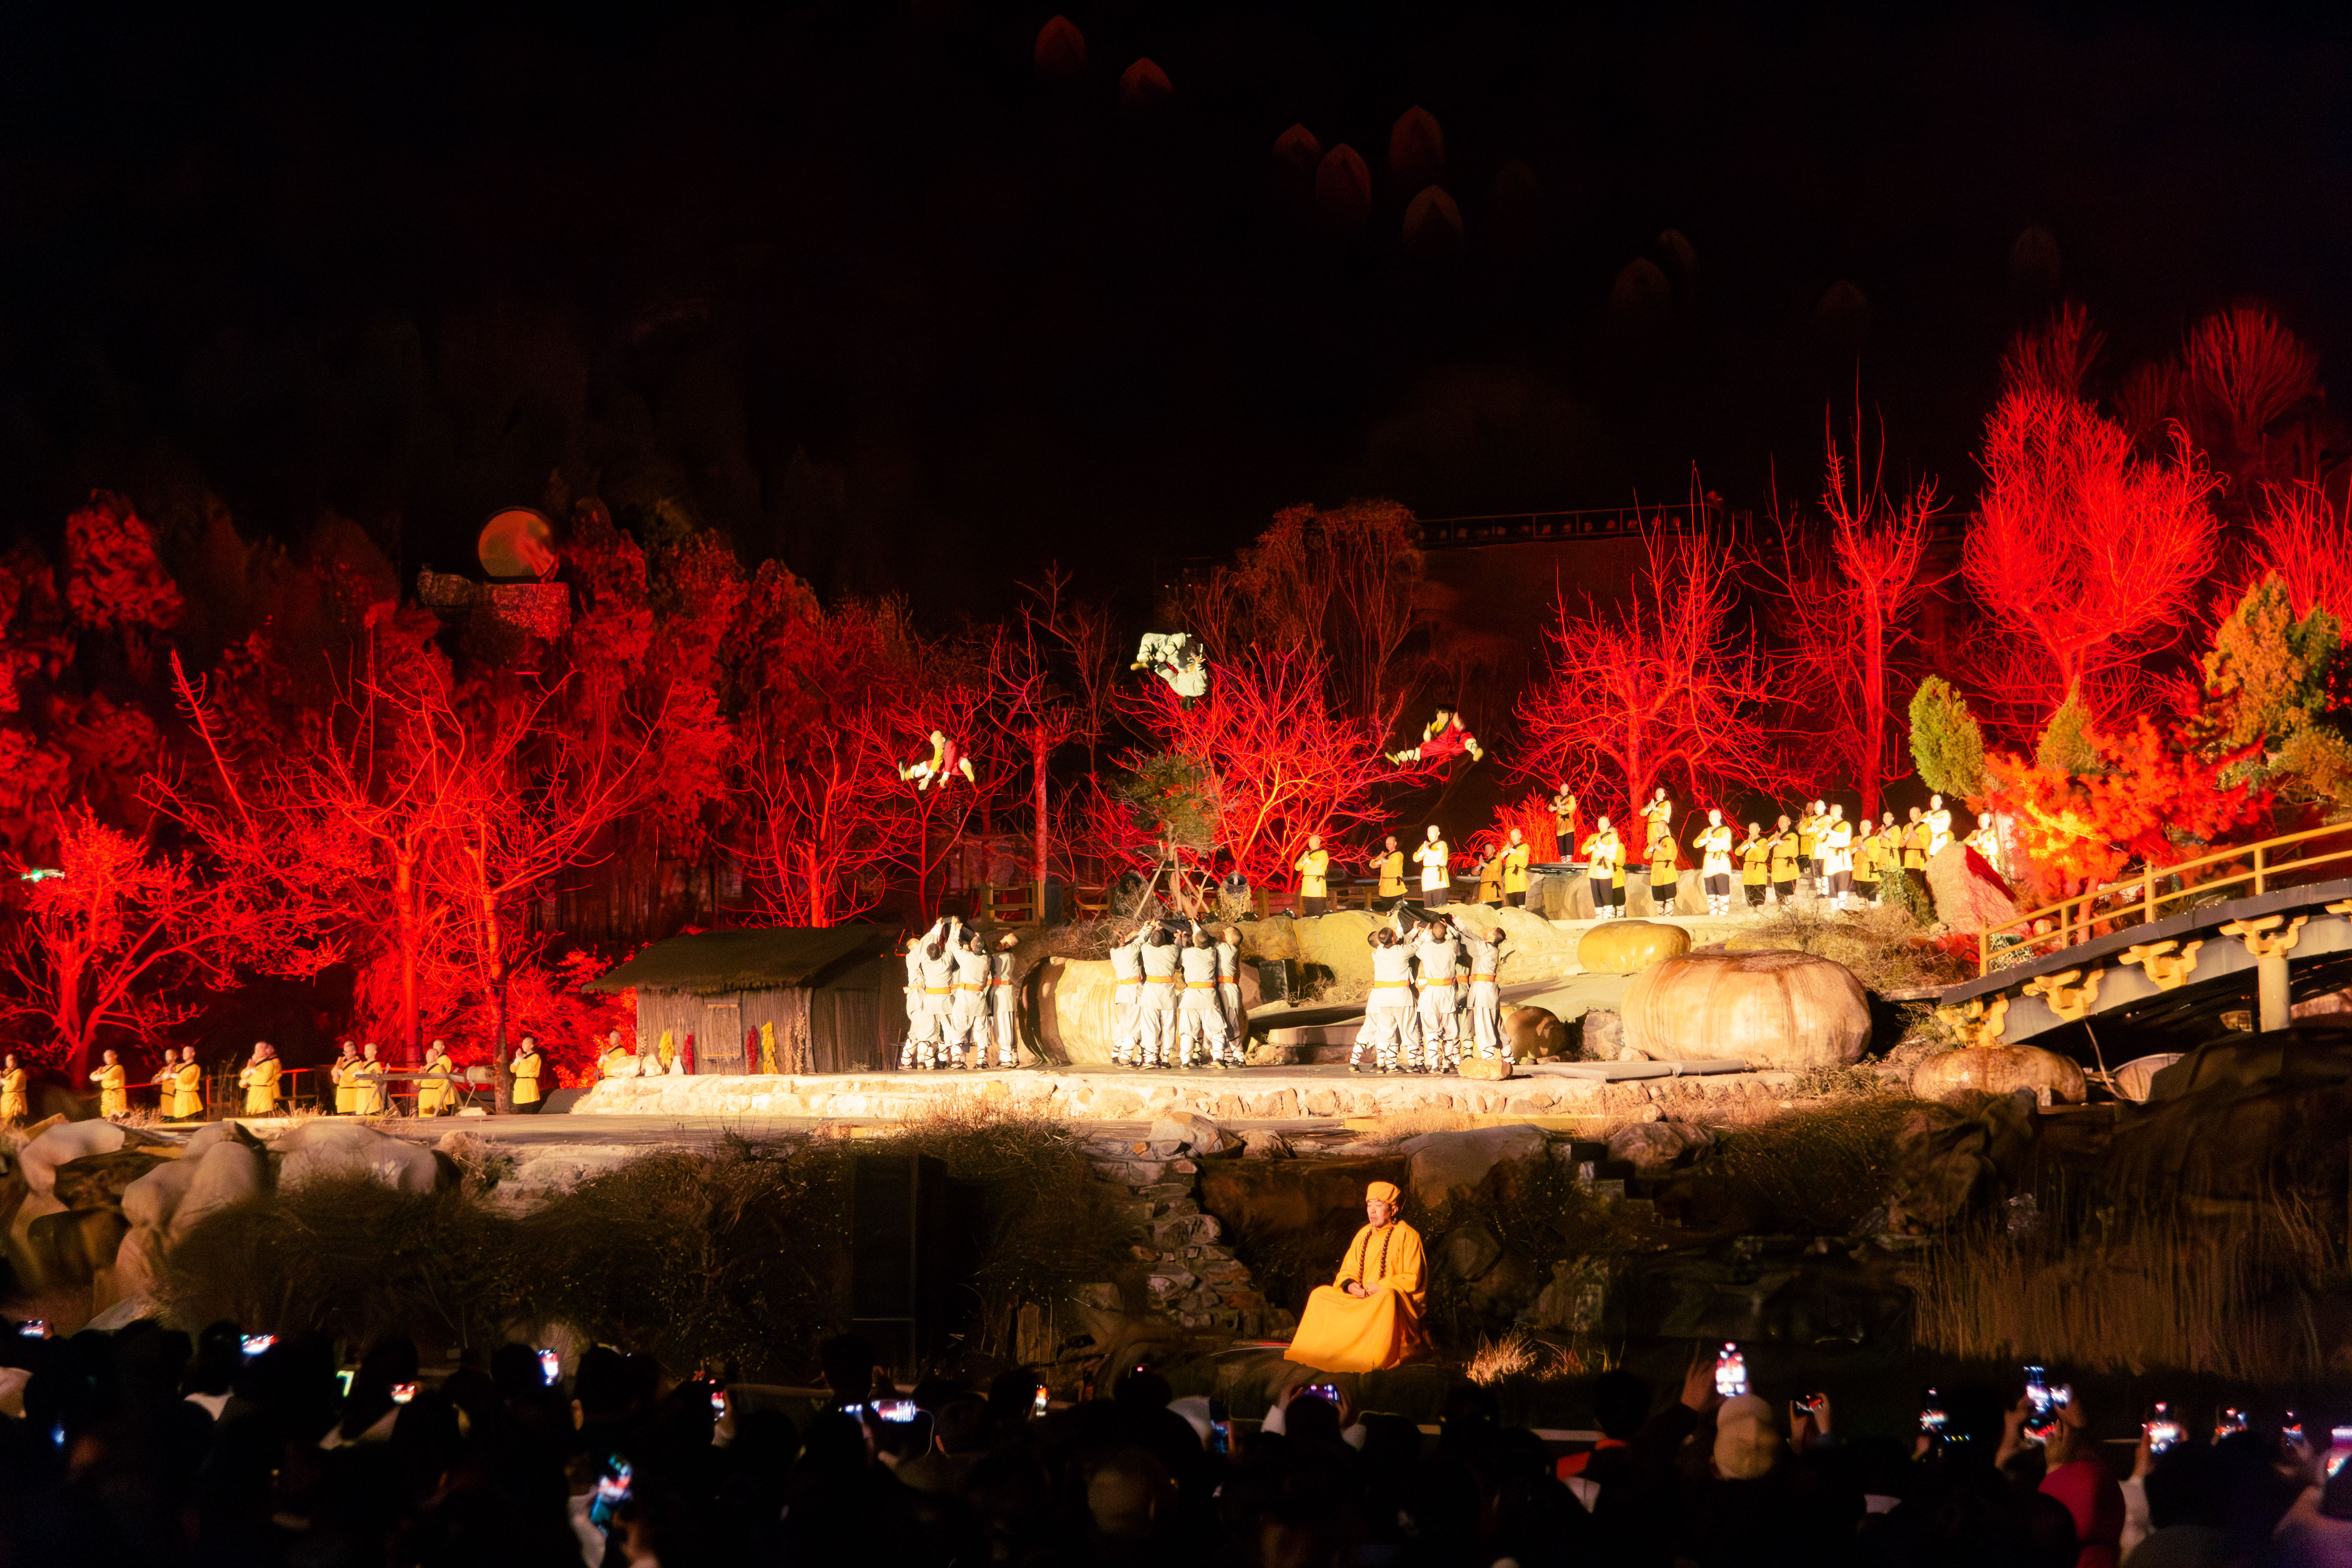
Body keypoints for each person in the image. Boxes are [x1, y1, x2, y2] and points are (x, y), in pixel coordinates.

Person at [1283, 1180, 1428, 1373]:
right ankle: (1313, 1353)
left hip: (1386, 1301)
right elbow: (1348, 1269)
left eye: (1378, 1205)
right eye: (1369, 1205)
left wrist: (1383, 1287)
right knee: (1321, 1294)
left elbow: (1413, 1277)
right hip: (1361, 1297)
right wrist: (1351, 1285)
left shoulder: (1409, 1236)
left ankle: (1373, 1359)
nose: (1372, 1211)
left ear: (1393, 1210)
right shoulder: (1363, 1234)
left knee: (1387, 1298)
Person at [1351, 921, 1417, 1074]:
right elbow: (1400, 943)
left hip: (1377, 998)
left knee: (1377, 1031)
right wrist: (1411, 931)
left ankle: (1360, 1062)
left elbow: (1395, 940)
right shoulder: (1385, 952)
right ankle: (1387, 1064)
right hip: (1384, 999)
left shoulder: (1377, 954)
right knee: (1387, 1032)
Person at [1405, 916, 1463, 1075]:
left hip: (1431, 994)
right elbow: (1458, 939)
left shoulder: (1426, 948)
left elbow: (1412, 946)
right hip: (1448, 994)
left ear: (1432, 932)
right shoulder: (1453, 946)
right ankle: (1446, 1063)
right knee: (1450, 1032)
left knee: (1431, 1031)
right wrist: (1449, 927)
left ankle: (1435, 1065)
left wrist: (1425, 934)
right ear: (1445, 932)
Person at [1177, 922, 1231, 1069]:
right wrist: (1198, 927)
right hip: (1208, 997)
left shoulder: (1187, 953)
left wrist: (1188, 933)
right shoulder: (1212, 953)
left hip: (1191, 998)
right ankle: (1219, 1057)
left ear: (1195, 941)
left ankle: (1185, 1061)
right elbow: (1206, 939)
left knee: (1188, 1031)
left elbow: (1179, 962)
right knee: (1216, 1029)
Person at [1460, 924, 1510, 1062]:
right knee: (1495, 1023)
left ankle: (1488, 1056)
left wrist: (1457, 928)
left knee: (1484, 1022)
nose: (1486, 931)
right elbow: (1474, 940)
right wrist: (1459, 927)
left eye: (1490, 931)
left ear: (1493, 937)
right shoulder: (1490, 949)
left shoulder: (1486, 949)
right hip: (1487, 990)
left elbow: (1471, 942)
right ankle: (1508, 1054)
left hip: (1483, 991)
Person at [947, 926, 992, 1071]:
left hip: (965, 999)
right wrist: (980, 940)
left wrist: (956, 930)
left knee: (958, 1028)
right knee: (982, 1030)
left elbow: (953, 945)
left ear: (972, 947)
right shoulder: (986, 960)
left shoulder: (966, 958)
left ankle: (957, 1060)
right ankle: (981, 1062)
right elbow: (986, 951)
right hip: (979, 1000)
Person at [1138, 922, 1181, 1070]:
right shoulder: (1172, 950)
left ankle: (1151, 1058)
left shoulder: (1146, 949)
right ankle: (1166, 1058)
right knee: (1169, 1026)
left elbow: (1144, 940)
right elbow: (1177, 946)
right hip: (1168, 994)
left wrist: (1154, 928)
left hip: (1151, 993)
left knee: (1151, 1025)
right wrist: (1177, 937)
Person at [1107, 920, 1147, 1068]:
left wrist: (1140, 931)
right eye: (1121, 935)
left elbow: (1132, 941)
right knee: (1135, 1026)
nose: (1124, 936)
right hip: (1133, 993)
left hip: (1121, 994)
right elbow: (1141, 940)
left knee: (1124, 1024)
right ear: (1120, 941)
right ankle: (1126, 1056)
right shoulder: (1130, 950)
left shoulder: (1113, 952)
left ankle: (1115, 1052)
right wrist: (1148, 927)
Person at [1388, 704, 1484, 765]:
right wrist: (1428, 732)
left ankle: (1476, 752)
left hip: (1455, 742)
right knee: (1423, 749)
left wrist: (1458, 722)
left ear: (1450, 715)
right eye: (1439, 715)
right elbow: (1428, 739)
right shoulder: (1435, 725)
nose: (1440, 718)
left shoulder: (1453, 722)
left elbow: (1460, 727)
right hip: (1441, 744)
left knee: (1466, 738)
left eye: (1443, 715)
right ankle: (1399, 757)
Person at [896, 729, 975, 790]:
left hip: (957, 764)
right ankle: (907, 775)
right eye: (934, 744)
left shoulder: (951, 745)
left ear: (943, 740)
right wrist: (927, 778)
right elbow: (936, 762)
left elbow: (950, 760)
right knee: (929, 764)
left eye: (936, 744)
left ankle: (969, 771)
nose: (936, 746)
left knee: (963, 762)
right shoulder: (939, 748)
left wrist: (944, 778)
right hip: (950, 768)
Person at [1692, 808, 1735, 918]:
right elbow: (1696, 844)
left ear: (1720, 817)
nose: (1711, 819)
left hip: (1720, 859)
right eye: (1710, 817)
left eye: (1714, 816)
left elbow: (1725, 841)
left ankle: (1724, 911)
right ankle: (1713, 911)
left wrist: (1712, 839)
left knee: (1722, 885)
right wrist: (1706, 840)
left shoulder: (1725, 830)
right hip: (1709, 860)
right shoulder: (1706, 831)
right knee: (1710, 886)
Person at [988, 932, 1021, 1069]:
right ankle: (1013, 1055)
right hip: (1007, 993)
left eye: (1005, 939)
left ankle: (1006, 1058)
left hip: (1000, 994)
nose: (1002, 939)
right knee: (1010, 1024)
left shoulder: (998, 957)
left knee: (1002, 1025)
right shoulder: (1010, 957)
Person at [1581, 816, 1625, 919]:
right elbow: (1584, 850)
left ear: (1609, 824)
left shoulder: (1612, 837)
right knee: (1596, 893)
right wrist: (1594, 847)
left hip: (1605, 867)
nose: (1601, 825)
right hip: (1594, 867)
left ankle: (1607, 915)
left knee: (1606, 893)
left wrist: (1601, 846)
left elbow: (1613, 850)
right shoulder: (1594, 837)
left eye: (1604, 823)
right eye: (1600, 823)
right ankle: (1599, 915)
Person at [1214, 924, 1247, 1058]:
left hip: (1228, 989)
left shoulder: (1228, 949)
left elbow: (1205, 940)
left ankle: (1239, 1056)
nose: (1224, 931)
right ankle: (1228, 1055)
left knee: (1232, 1022)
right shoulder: (1227, 949)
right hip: (1224, 988)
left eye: (1228, 932)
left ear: (1232, 940)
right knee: (1225, 1022)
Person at [1820, 804, 1855, 911]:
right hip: (1830, 855)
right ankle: (1834, 907)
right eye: (1831, 811)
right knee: (1831, 882)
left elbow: (1845, 838)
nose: (1832, 813)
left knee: (1842, 881)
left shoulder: (1846, 825)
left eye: (1835, 811)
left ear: (1841, 812)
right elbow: (1821, 839)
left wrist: (1830, 832)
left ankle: (1842, 906)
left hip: (1841, 855)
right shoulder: (1828, 825)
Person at [415, 1039, 458, 1116]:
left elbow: (438, 1077)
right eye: (434, 1046)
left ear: (443, 1047)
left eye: (437, 1046)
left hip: (441, 1090)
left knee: (440, 1115)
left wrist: (422, 1079)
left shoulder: (445, 1060)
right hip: (429, 1093)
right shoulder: (433, 1062)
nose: (435, 1048)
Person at [238, 1041, 281, 1115]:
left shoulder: (269, 1064)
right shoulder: (255, 1063)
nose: (257, 1051)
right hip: (253, 1097)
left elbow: (264, 1078)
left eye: (260, 1048)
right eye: (256, 1049)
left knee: (263, 1115)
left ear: (266, 1050)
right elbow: (243, 1075)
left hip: (263, 1098)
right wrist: (249, 1072)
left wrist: (251, 1075)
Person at [1647, 823, 1680, 917]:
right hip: (1656, 872)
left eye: (1660, 826)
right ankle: (1661, 917)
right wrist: (1652, 847)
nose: (1658, 828)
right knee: (1658, 897)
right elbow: (1646, 855)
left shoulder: (1670, 840)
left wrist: (1658, 848)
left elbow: (1669, 853)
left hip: (1667, 870)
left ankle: (1668, 917)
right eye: (1657, 827)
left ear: (1666, 827)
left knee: (1669, 896)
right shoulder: (1655, 841)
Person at [1766, 814, 1800, 906]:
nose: (1781, 822)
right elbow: (1765, 848)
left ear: (1789, 823)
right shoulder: (1774, 836)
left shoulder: (1793, 836)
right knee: (1779, 892)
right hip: (1777, 868)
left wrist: (1779, 842)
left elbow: (1792, 846)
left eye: (1783, 820)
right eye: (1780, 821)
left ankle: (1789, 910)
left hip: (1788, 867)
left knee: (1789, 892)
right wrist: (1774, 842)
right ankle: (1782, 909)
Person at [1294, 834, 1331, 916]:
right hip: (1307, 885)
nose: (1310, 844)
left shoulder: (1323, 853)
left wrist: (1309, 861)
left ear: (1318, 842)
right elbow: (1297, 867)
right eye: (1309, 842)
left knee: (1318, 909)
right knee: (1308, 908)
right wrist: (1304, 862)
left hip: (1317, 885)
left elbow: (1319, 864)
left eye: (1313, 842)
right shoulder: (1307, 853)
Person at [1738, 822, 1771, 911]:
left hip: (1759, 866)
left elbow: (1763, 853)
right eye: (1750, 829)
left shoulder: (1764, 841)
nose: (1752, 831)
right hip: (1748, 867)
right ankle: (1751, 909)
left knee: (1760, 888)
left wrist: (1753, 846)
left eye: (1754, 828)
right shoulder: (1747, 842)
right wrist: (1747, 845)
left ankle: (1760, 909)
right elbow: (1738, 852)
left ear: (1759, 830)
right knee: (1749, 888)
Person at [1413, 825, 1450, 901]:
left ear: (1438, 833)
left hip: (1438, 878)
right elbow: (1416, 858)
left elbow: (1439, 855)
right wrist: (1423, 852)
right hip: (1427, 877)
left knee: (1439, 903)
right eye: (1428, 833)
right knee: (1428, 903)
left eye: (1432, 833)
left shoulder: (1442, 844)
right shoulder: (1425, 845)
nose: (1430, 835)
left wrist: (1427, 851)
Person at [88, 1048, 127, 1119]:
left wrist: (99, 1075)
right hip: (107, 1095)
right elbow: (92, 1077)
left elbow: (108, 1076)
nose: (107, 1059)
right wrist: (98, 1072)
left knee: (119, 1112)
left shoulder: (118, 1068)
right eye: (105, 1057)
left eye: (109, 1057)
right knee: (106, 1112)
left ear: (115, 1057)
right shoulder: (105, 1068)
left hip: (117, 1095)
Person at [1852, 819, 1883, 907]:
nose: (1863, 828)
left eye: (1865, 826)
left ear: (1870, 828)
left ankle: (1871, 912)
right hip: (1858, 871)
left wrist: (1863, 847)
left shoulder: (1874, 840)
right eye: (1861, 826)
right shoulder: (1856, 839)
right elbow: (1849, 850)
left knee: (1871, 894)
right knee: (1860, 894)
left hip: (1869, 871)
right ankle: (1862, 910)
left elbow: (1874, 854)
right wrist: (1856, 848)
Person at [1371, 835, 1406, 911]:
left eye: (1390, 843)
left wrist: (1384, 861)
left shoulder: (1399, 854)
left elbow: (1394, 862)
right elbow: (1372, 864)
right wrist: (1379, 862)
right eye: (1387, 843)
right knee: (1387, 909)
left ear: (1395, 844)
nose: (1388, 845)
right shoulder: (1384, 855)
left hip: (1395, 887)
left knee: (1397, 909)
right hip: (1384, 887)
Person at [169, 1045, 204, 1120]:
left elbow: (186, 1079)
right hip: (180, 1099)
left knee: (188, 1120)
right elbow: (173, 1081)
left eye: (187, 1052)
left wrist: (174, 1076)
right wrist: (170, 1073)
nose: (184, 1054)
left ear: (193, 1054)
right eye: (183, 1052)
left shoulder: (195, 1067)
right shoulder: (181, 1067)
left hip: (189, 1100)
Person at [510, 1035, 544, 1111]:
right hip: (520, 1085)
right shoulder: (522, 1057)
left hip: (529, 1084)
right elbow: (512, 1069)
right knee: (519, 1109)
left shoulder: (535, 1057)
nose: (523, 1045)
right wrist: (517, 1061)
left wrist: (521, 1059)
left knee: (529, 1109)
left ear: (532, 1046)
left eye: (526, 1043)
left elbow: (529, 1068)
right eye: (523, 1043)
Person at [1638, 786, 1673, 861]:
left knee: (1661, 843)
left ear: (1664, 795)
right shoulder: (1653, 804)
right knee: (1652, 845)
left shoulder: (1666, 803)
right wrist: (1648, 809)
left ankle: (1665, 860)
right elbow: (1641, 813)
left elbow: (1666, 812)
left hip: (1660, 826)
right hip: (1651, 827)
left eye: (1659, 793)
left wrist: (1656, 809)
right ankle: (1652, 859)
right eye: (1656, 793)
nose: (1657, 795)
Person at [353, 1042, 389, 1115]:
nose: (365, 1053)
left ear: (375, 1052)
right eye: (365, 1050)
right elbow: (354, 1077)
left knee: (371, 1116)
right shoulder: (363, 1064)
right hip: (361, 1094)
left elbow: (374, 1080)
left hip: (370, 1094)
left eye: (368, 1050)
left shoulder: (376, 1065)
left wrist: (361, 1071)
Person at [1500, 827, 1532, 908]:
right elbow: (1500, 856)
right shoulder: (1510, 849)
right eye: (1511, 836)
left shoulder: (1524, 847)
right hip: (1510, 877)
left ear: (1520, 836)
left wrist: (1510, 850)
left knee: (1520, 901)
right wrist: (1506, 851)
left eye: (1514, 836)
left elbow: (1522, 854)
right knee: (1512, 903)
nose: (1512, 838)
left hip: (1518, 875)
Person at [330, 1040, 361, 1114]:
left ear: (354, 1052)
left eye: (347, 1052)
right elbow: (335, 1078)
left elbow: (351, 1079)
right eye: (344, 1052)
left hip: (352, 1099)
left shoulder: (359, 1064)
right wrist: (338, 1066)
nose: (345, 1054)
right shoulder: (344, 1063)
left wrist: (340, 1070)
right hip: (342, 1098)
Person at [1925, 792, 1956, 857]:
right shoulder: (1928, 813)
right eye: (1932, 802)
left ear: (1940, 802)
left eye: (1935, 802)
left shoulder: (1945, 813)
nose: (1933, 804)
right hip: (1929, 839)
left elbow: (1944, 822)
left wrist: (1931, 820)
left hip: (1940, 839)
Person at [0, 1051, 26, 1122]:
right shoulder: (6, 1073)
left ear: (15, 1061)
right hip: (6, 1103)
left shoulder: (19, 1073)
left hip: (15, 1103)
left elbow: (13, 1085)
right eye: (8, 1061)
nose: (9, 1062)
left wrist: (2, 1080)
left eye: (11, 1060)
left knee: (14, 1122)